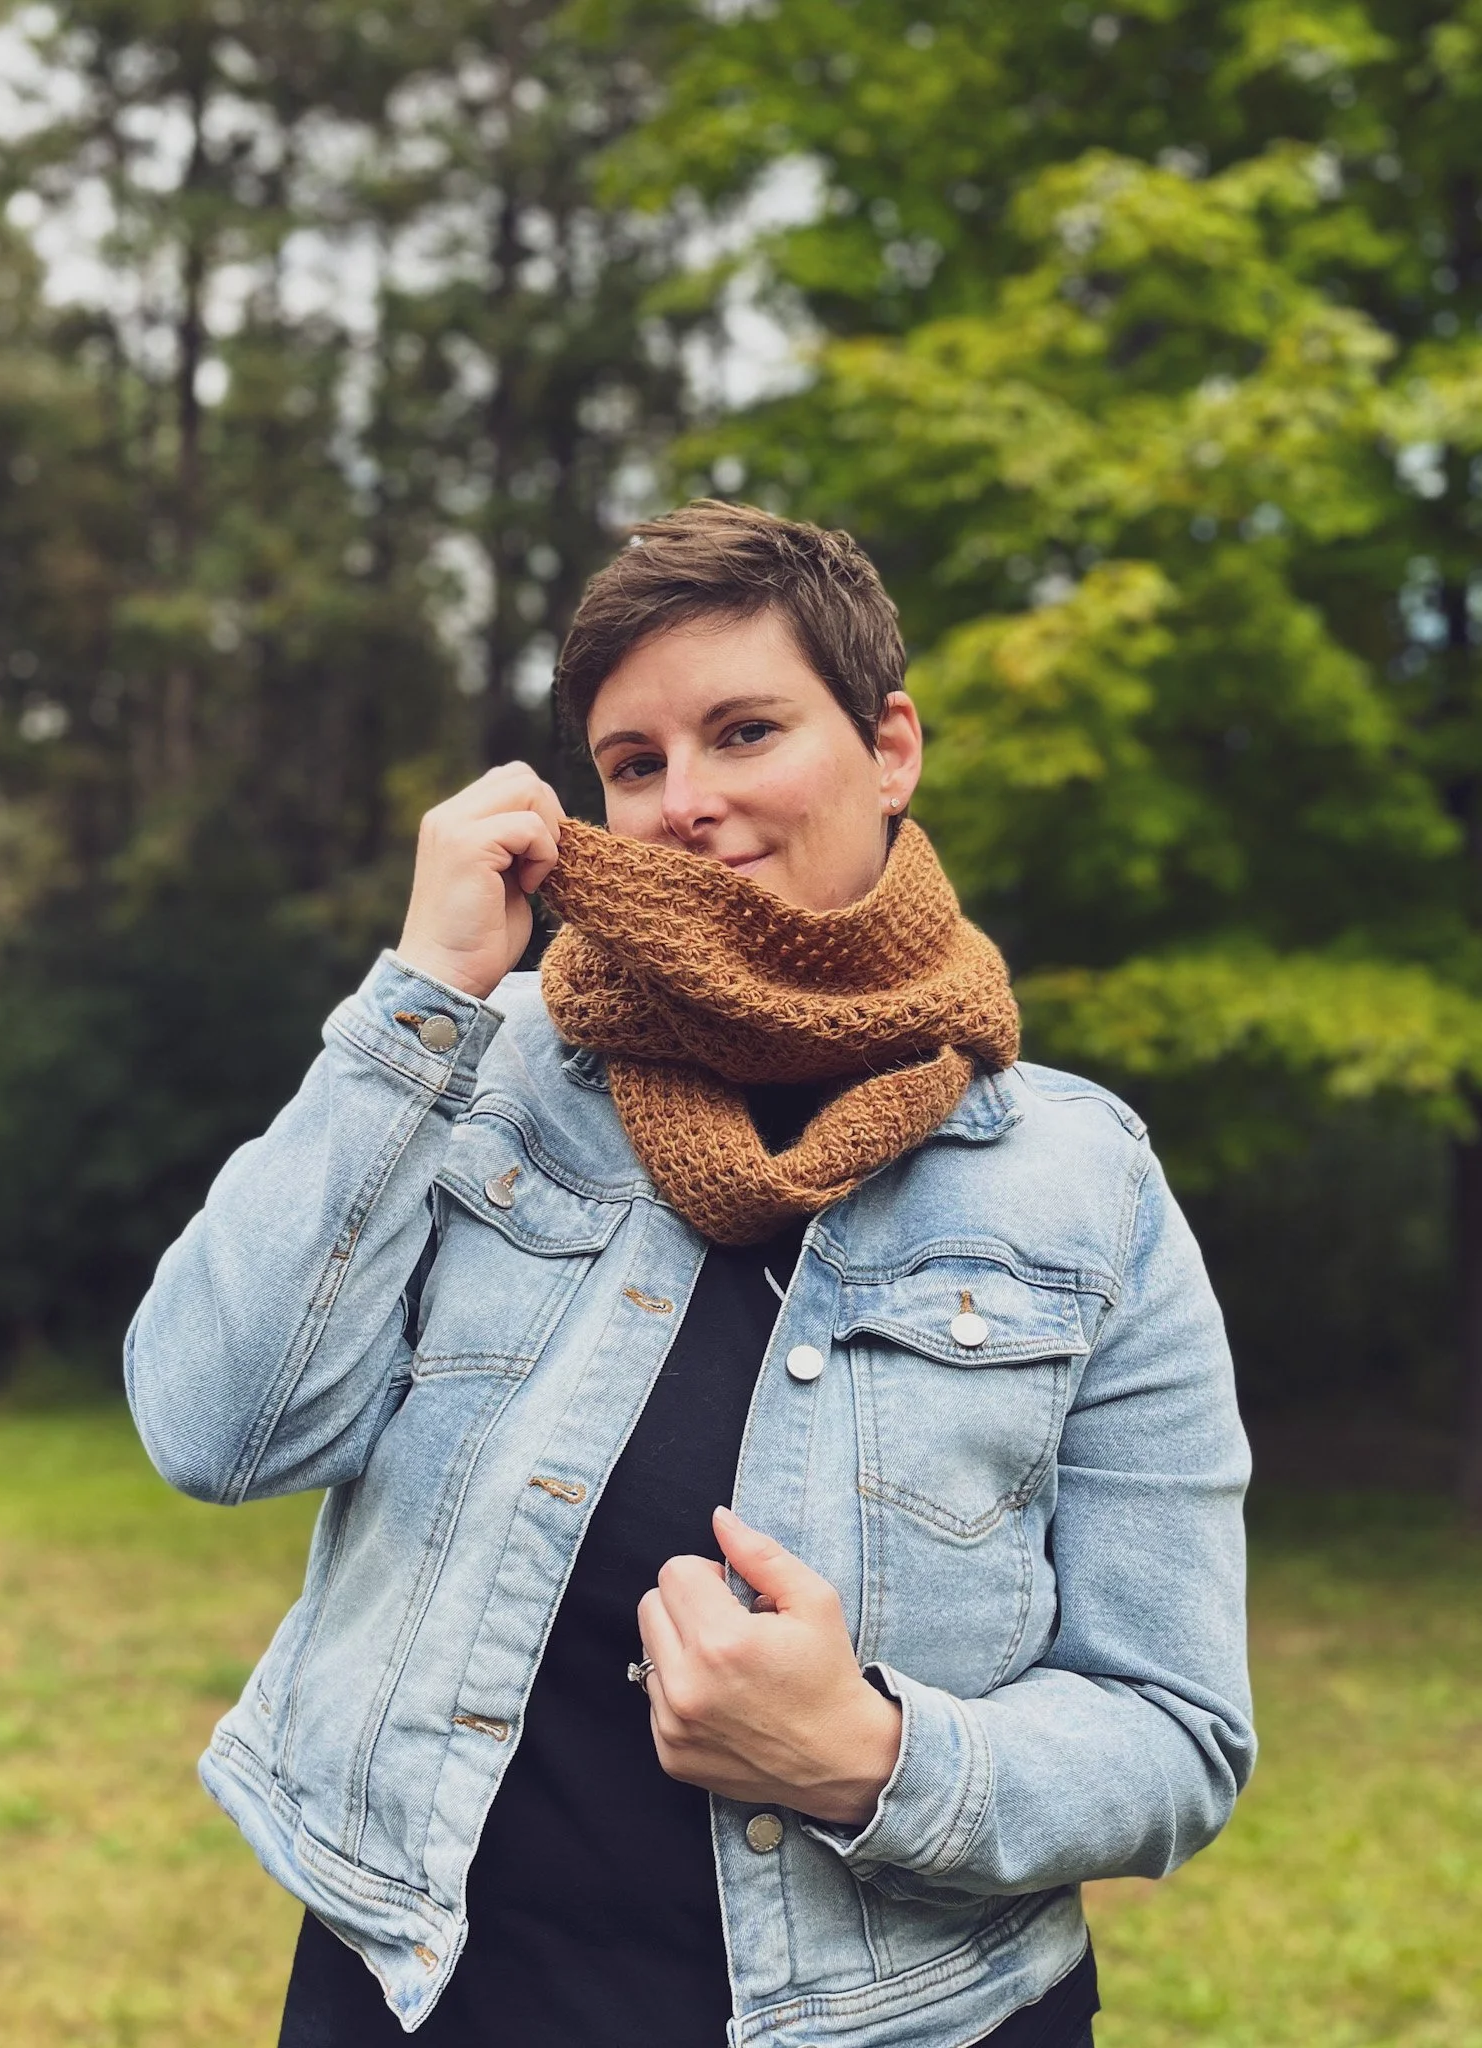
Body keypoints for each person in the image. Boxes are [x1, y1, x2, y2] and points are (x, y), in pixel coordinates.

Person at [126, 501, 1254, 2048]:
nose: (686, 802)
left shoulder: (1084, 1186)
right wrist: (424, 992)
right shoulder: (481, 1069)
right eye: (635, 762)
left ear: (891, 749)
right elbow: (217, 1427)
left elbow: (1177, 1733)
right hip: (429, 2000)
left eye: (744, 731)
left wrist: (869, 1756)